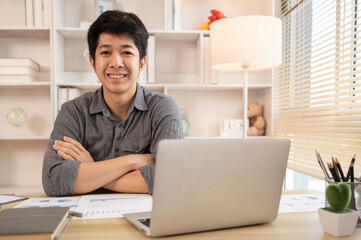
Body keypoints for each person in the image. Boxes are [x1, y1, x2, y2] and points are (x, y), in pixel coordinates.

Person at [42, 10, 184, 197]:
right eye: (106, 52)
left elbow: (172, 179)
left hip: (145, 219)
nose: (116, 63)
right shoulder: (73, 112)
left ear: (142, 63)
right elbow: (53, 179)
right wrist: (133, 161)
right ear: (93, 62)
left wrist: (91, 169)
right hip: (85, 221)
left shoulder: (163, 108)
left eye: (126, 52)